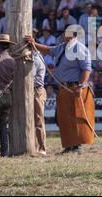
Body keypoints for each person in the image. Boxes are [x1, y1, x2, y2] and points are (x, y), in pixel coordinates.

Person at [24, 25, 94, 155]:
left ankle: (77, 146)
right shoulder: (62, 47)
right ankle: (69, 146)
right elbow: (49, 50)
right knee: (63, 118)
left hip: (73, 87)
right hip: (63, 88)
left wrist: (80, 85)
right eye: (64, 33)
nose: (65, 35)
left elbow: (87, 69)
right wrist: (34, 44)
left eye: (67, 33)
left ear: (74, 34)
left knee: (75, 117)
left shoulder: (80, 48)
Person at [32, 50, 47, 156]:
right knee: (35, 120)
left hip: (36, 91)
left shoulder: (35, 59)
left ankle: (42, 147)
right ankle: (35, 145)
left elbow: (29, 76)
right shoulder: (36, 58)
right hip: (34, 90)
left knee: (38, 119)